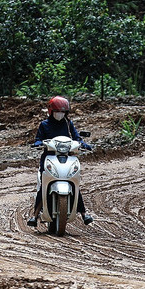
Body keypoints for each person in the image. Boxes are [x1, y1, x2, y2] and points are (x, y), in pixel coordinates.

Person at [27, 96, 94, 227]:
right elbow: (38, 139)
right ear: (51, 111)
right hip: (49, 157)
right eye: (58, 111)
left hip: (67, 157)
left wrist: (83, 144)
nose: (60, 114)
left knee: (74, 182)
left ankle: (84, 214)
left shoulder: (68, 124)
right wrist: (38, 143)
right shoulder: (44, 125)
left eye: (63, 112)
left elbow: (76, 137)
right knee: (43, 186)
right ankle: (34, 216)